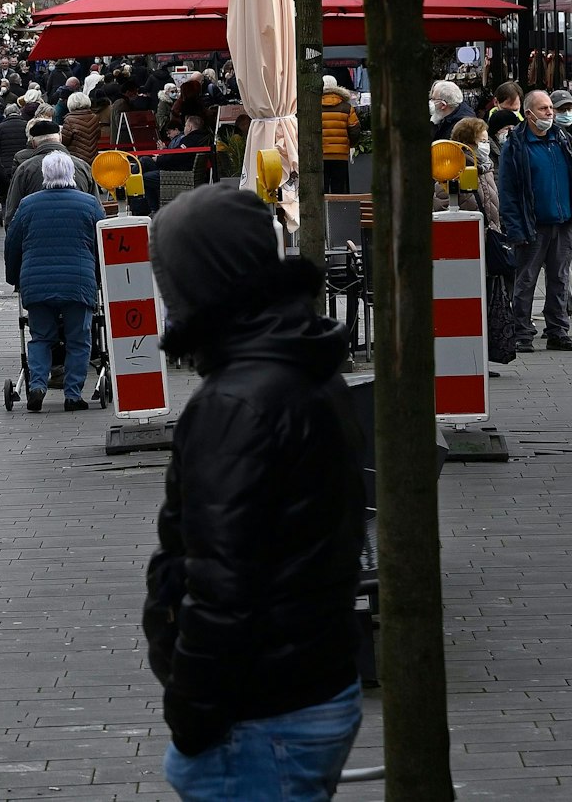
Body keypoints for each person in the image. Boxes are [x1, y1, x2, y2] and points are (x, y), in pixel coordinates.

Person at [145, 183, 365, 801]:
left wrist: (192, 713)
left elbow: (223, 583)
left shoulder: (236, 402)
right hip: (308, 681)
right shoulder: (303, 366)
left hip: (259, 708)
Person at [5, 153, 106, 412]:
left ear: (45, 174)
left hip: (37, 283)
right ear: (71, 173)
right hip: (78, 282)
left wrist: (14, 277)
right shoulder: (89, 204)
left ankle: (37, 386)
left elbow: (12, 244)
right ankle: (73, 395)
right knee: (78, 340)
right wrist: (99, 277)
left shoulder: (28, 204)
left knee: (40, 337)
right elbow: (103, 244)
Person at [499, 89, 572, 353]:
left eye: (550, 108)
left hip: (562, 223)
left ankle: (557, 330)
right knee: (526, 280)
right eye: (543, 109)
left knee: (559, 279)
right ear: (529, 114)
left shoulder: (561, 140)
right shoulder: (516, 146)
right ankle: (522, 333)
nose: (550, 113)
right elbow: (508, 191)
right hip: (532, 225)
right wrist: (515, 228)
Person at [5, 120, 99, 223]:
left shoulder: (24, 169)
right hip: (80, 229)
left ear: (33, 143)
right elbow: (97, 209)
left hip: (37, 229)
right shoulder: (82, 167)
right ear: (60, 138)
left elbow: (13, 211)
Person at [319, 76, 361, 194]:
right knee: (338, 189)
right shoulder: (347, 108)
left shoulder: (314, 108)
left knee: (322, 190)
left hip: (320, 155)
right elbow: (355, 130)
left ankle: (324, 207)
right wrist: (350, 145)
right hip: (340, 155)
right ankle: (338, 206)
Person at [430, 78, 475, 143]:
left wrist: (433, 124)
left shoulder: (462, 128)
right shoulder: (450, 112)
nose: (431, 102)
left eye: (433, 99)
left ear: (443, 105)